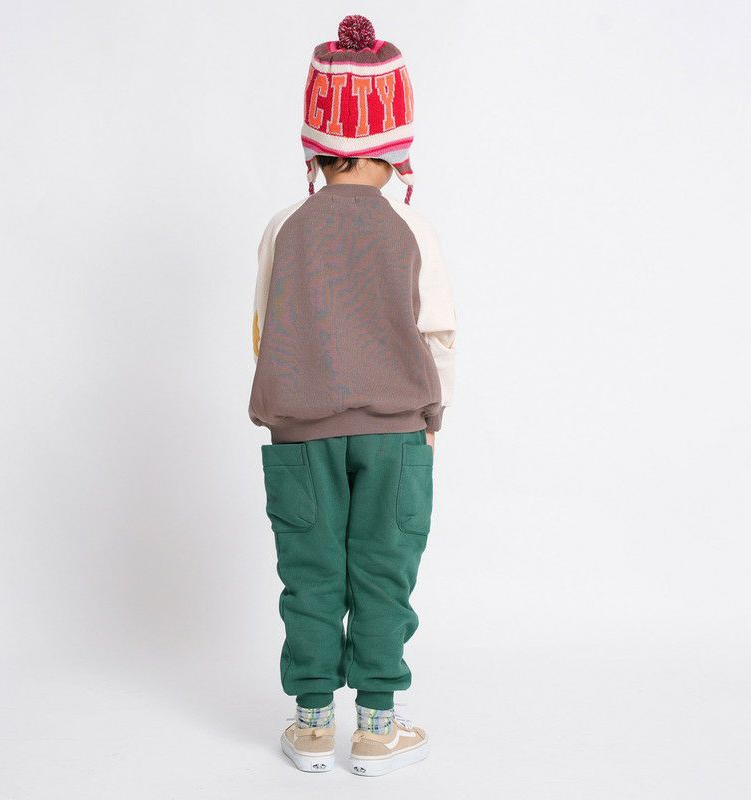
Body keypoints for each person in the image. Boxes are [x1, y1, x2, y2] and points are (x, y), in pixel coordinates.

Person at [248, 14, 457, 777]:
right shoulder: (412, 227)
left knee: (308, 574)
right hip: (397, 433)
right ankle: (376, 726)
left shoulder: (284, 226)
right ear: (397, 145)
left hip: (299, 435)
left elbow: (264, 327)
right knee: (383, 569)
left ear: (314, 145)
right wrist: (433, 418)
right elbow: (438, 334)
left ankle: (310, 725)